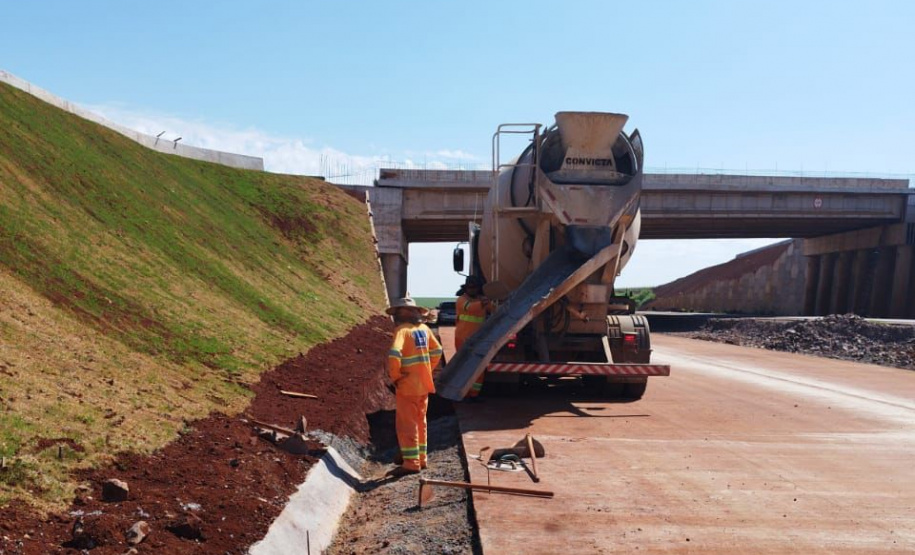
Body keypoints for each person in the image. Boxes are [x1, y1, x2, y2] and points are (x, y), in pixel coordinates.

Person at [386, 296, 443, 476]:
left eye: (398, 312)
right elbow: (437, 350)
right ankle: (422, 459)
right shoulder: (424, 329)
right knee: (420, 422)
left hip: (408, 386)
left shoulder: (402, 331)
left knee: (407, 425)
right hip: (423, 385)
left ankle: (411, 463)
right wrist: (427, 369)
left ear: (401, 313)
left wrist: (396, 376)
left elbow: (394, 354)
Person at [454, 275, 494, 399]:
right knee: (464, 367)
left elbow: (494, 309)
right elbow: (469, 308)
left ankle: (474, 394)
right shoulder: (461, 300)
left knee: (478, 368)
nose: (472, 290)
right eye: (470, 288)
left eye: (474, 287)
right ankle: (464, 393)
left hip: (478, 340)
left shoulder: (481, 300)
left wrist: (490, 302)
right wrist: (482, 302)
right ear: (466, 288)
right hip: (463, 339)